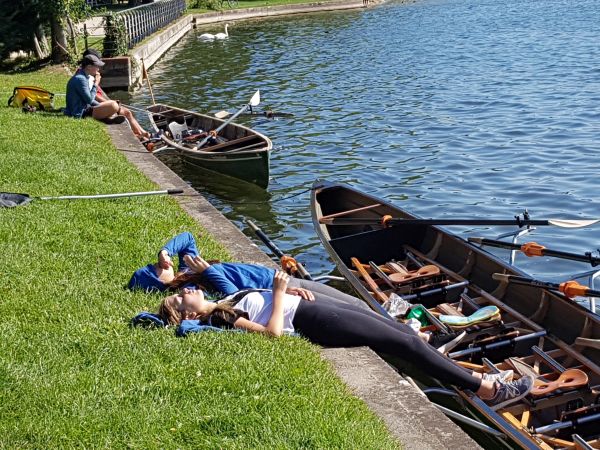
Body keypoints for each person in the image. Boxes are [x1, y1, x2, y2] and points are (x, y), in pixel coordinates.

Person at [158, 271, 535, 410]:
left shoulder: (226, 300)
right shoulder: (223, 316)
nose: (185, 290)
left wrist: (289, 293)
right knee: (404, 344)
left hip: (308, 308)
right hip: (314, 322)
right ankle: (486, 389)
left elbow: (266, 300)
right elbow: (272, 335)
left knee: (404, 331)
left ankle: (477, 384)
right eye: (179, 297)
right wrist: (278, 293)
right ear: (189, 314)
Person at [127, 232, 372, 312]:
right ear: (158, 283)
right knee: (354, 306)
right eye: (157, 270)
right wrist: (211, 271)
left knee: (354, 303)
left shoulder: (185, 270)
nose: (160, 265)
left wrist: (165, 251)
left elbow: (187, 238)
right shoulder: (192, 291)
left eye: (157, 263)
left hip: (279, 278)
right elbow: (236, 296)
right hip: (279, 287)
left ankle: (394, 320)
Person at [65, 53, 150, 138]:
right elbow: (89, 100)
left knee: (114, 105)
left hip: (85, 108)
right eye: (96, 66)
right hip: (80, 113)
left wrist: (102, 105)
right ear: (89, 67)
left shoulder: (84, 76)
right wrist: (96, 84)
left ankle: (110, 120)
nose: (98, 69)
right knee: (113, 105)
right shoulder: (81, 79)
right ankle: (108, 118)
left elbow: (88, 99)